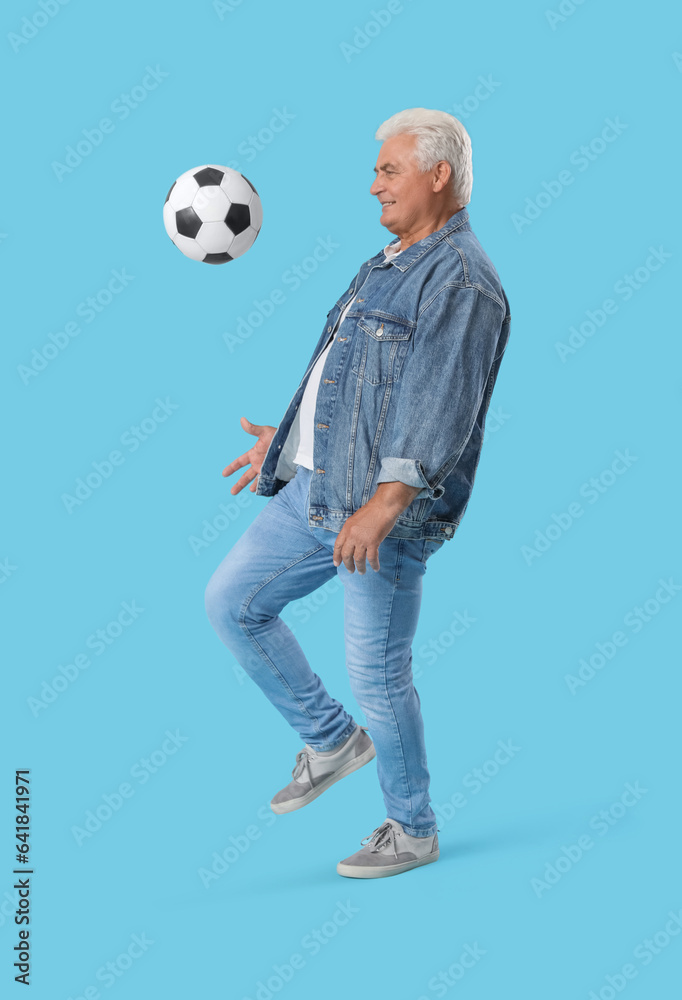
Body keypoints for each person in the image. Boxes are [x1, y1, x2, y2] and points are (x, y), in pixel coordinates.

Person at [205, 107, 511, 879]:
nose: (373, 184)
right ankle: (330, 740)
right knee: (232, 602)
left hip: (382, 516)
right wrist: (285, 441)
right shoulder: (390, 262)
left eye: (388, 170)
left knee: (379, 676)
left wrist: (384, 507)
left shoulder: (463, 282)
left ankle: (412, 829)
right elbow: (347, 377)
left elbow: (436, 409)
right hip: (317, 488)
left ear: (438, 174)